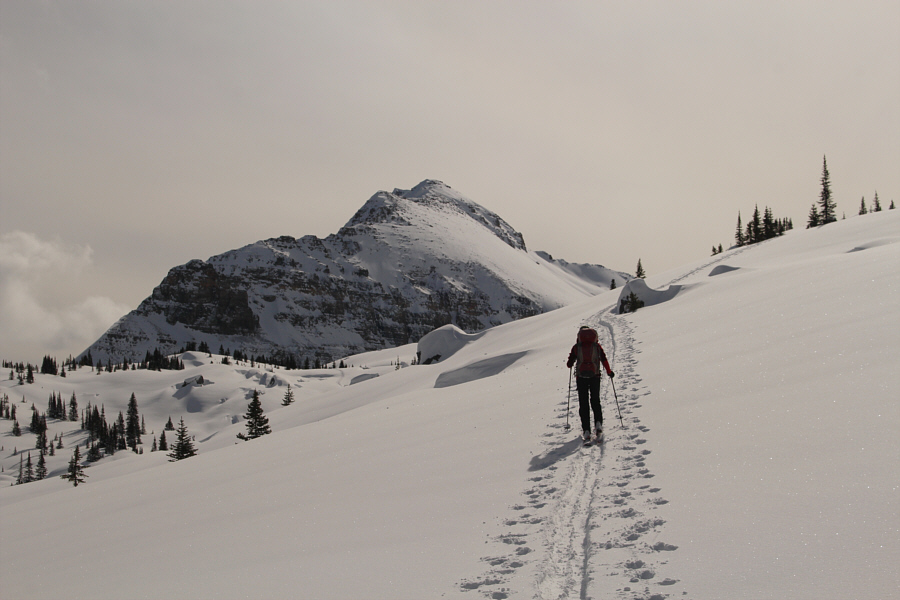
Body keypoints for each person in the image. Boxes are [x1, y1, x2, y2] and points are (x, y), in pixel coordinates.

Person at [566, 325, 614, 442]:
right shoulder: (597, 346)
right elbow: (604, 359)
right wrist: (609, 372)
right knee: (595, 400)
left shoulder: (576, 347)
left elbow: (569, 364)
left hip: (581, 378)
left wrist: (574, 359)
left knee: (584, 403)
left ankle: (586, 430)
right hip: (595, 376)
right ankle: (598, 424)